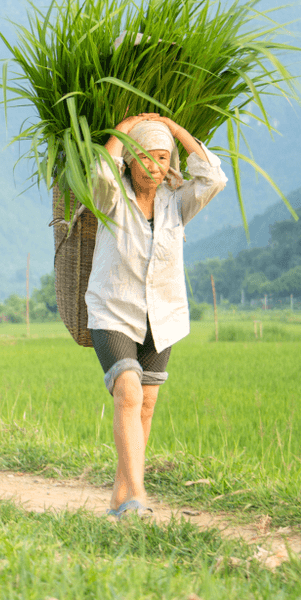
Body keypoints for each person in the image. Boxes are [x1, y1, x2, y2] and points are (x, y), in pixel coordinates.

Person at [86, 112, 227, 518]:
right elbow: (100, 174)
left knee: (145, 404)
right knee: (127, 392)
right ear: (129, 159)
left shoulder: (178, 202)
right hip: (113, 310)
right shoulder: (111, 197)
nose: (154, 165)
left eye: (163, 158)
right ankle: (137, 497)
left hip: (162, 315)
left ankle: (120, 495)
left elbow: (214, 179)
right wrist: (126, 129)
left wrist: (175, 129)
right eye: (145, 156)